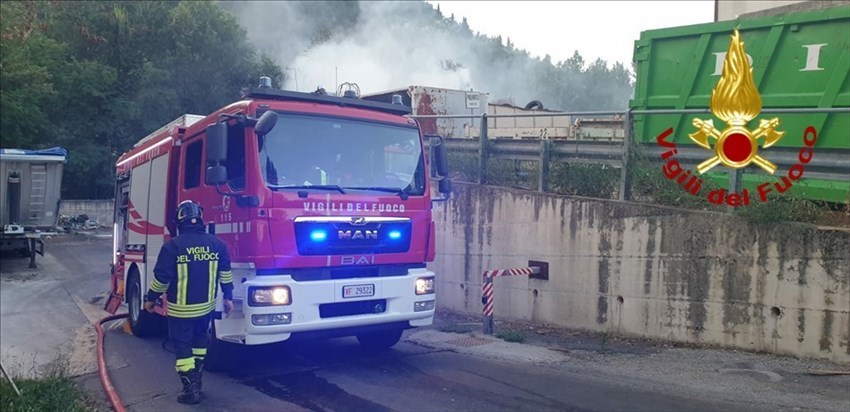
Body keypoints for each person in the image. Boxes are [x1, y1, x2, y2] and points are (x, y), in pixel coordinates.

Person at [143, 200, 234, 404]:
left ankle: (189, 388)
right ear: (200, 218)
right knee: (200, 343)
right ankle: (197, 380)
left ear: (179, 220)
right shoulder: (217, 244)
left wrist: (151, 299)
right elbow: (226, 274)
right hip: (206, 309)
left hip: (180, 311)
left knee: (183, 347)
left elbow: (161, 280)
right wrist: (228, 297)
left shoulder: (172, 246)